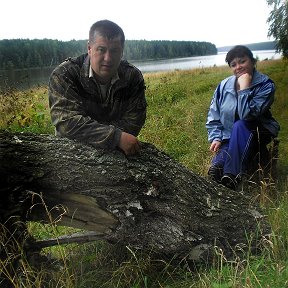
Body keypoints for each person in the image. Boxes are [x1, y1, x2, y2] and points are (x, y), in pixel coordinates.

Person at [48, 20, 147, 156]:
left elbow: (134, 121)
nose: (108, 58)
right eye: (101, 50)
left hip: (116, 155)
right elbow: (67, 123)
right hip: (71, 155)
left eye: (114, 51)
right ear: (89, 48)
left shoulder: (132, 77)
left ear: (122, 52)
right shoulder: (65, 74)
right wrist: (116, 137)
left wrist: (102, 137)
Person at [206, 45, 280, 190]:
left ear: (252, 61)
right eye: (233, 64)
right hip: (230, 136)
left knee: (240, 124)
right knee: (215, 170)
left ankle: (233, 176)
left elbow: (247, 115)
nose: (238, 67)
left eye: (242, 61)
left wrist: (244, 88)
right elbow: (213, 114)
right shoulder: (223, 86)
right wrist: (216, 137)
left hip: (259, 130)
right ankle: (224, 181)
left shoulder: (266, 85)